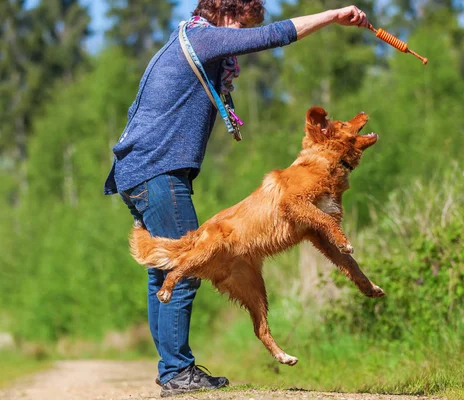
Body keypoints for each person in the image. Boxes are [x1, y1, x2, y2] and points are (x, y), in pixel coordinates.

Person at [104, 0, 370, 397]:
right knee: (190, 263)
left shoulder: (185, 40)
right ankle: (177, 373)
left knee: (164, 271)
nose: (241, 34)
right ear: (228, 14)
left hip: (137, 171)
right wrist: (332, 16)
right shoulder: (203, 37)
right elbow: (274, 36)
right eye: (243, 23)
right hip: (157, 171)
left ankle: (171, 370)